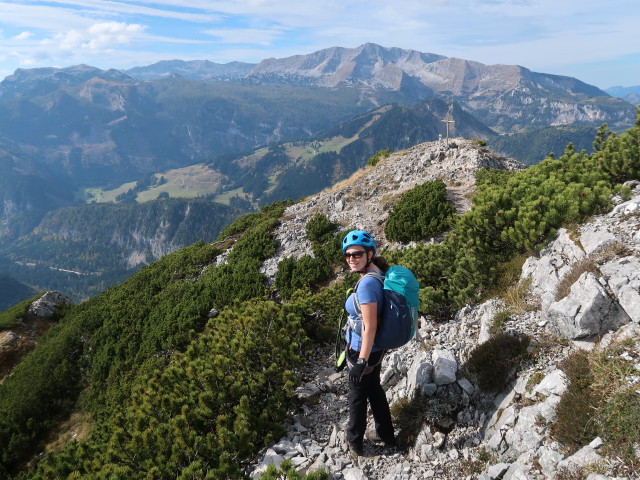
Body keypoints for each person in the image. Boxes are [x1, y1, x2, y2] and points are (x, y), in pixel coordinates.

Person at [341, 229, 396, 456]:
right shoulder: (376, 274)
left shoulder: (366, 285)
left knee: (357, 396)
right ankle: (387, 436)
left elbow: (369, 326)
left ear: (369, 254)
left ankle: (355, 442)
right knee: (374, 390)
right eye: (348, 255)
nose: (351, 259)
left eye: (357, 254)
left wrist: (361, 359)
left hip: (363, 349)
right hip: (374, 349)